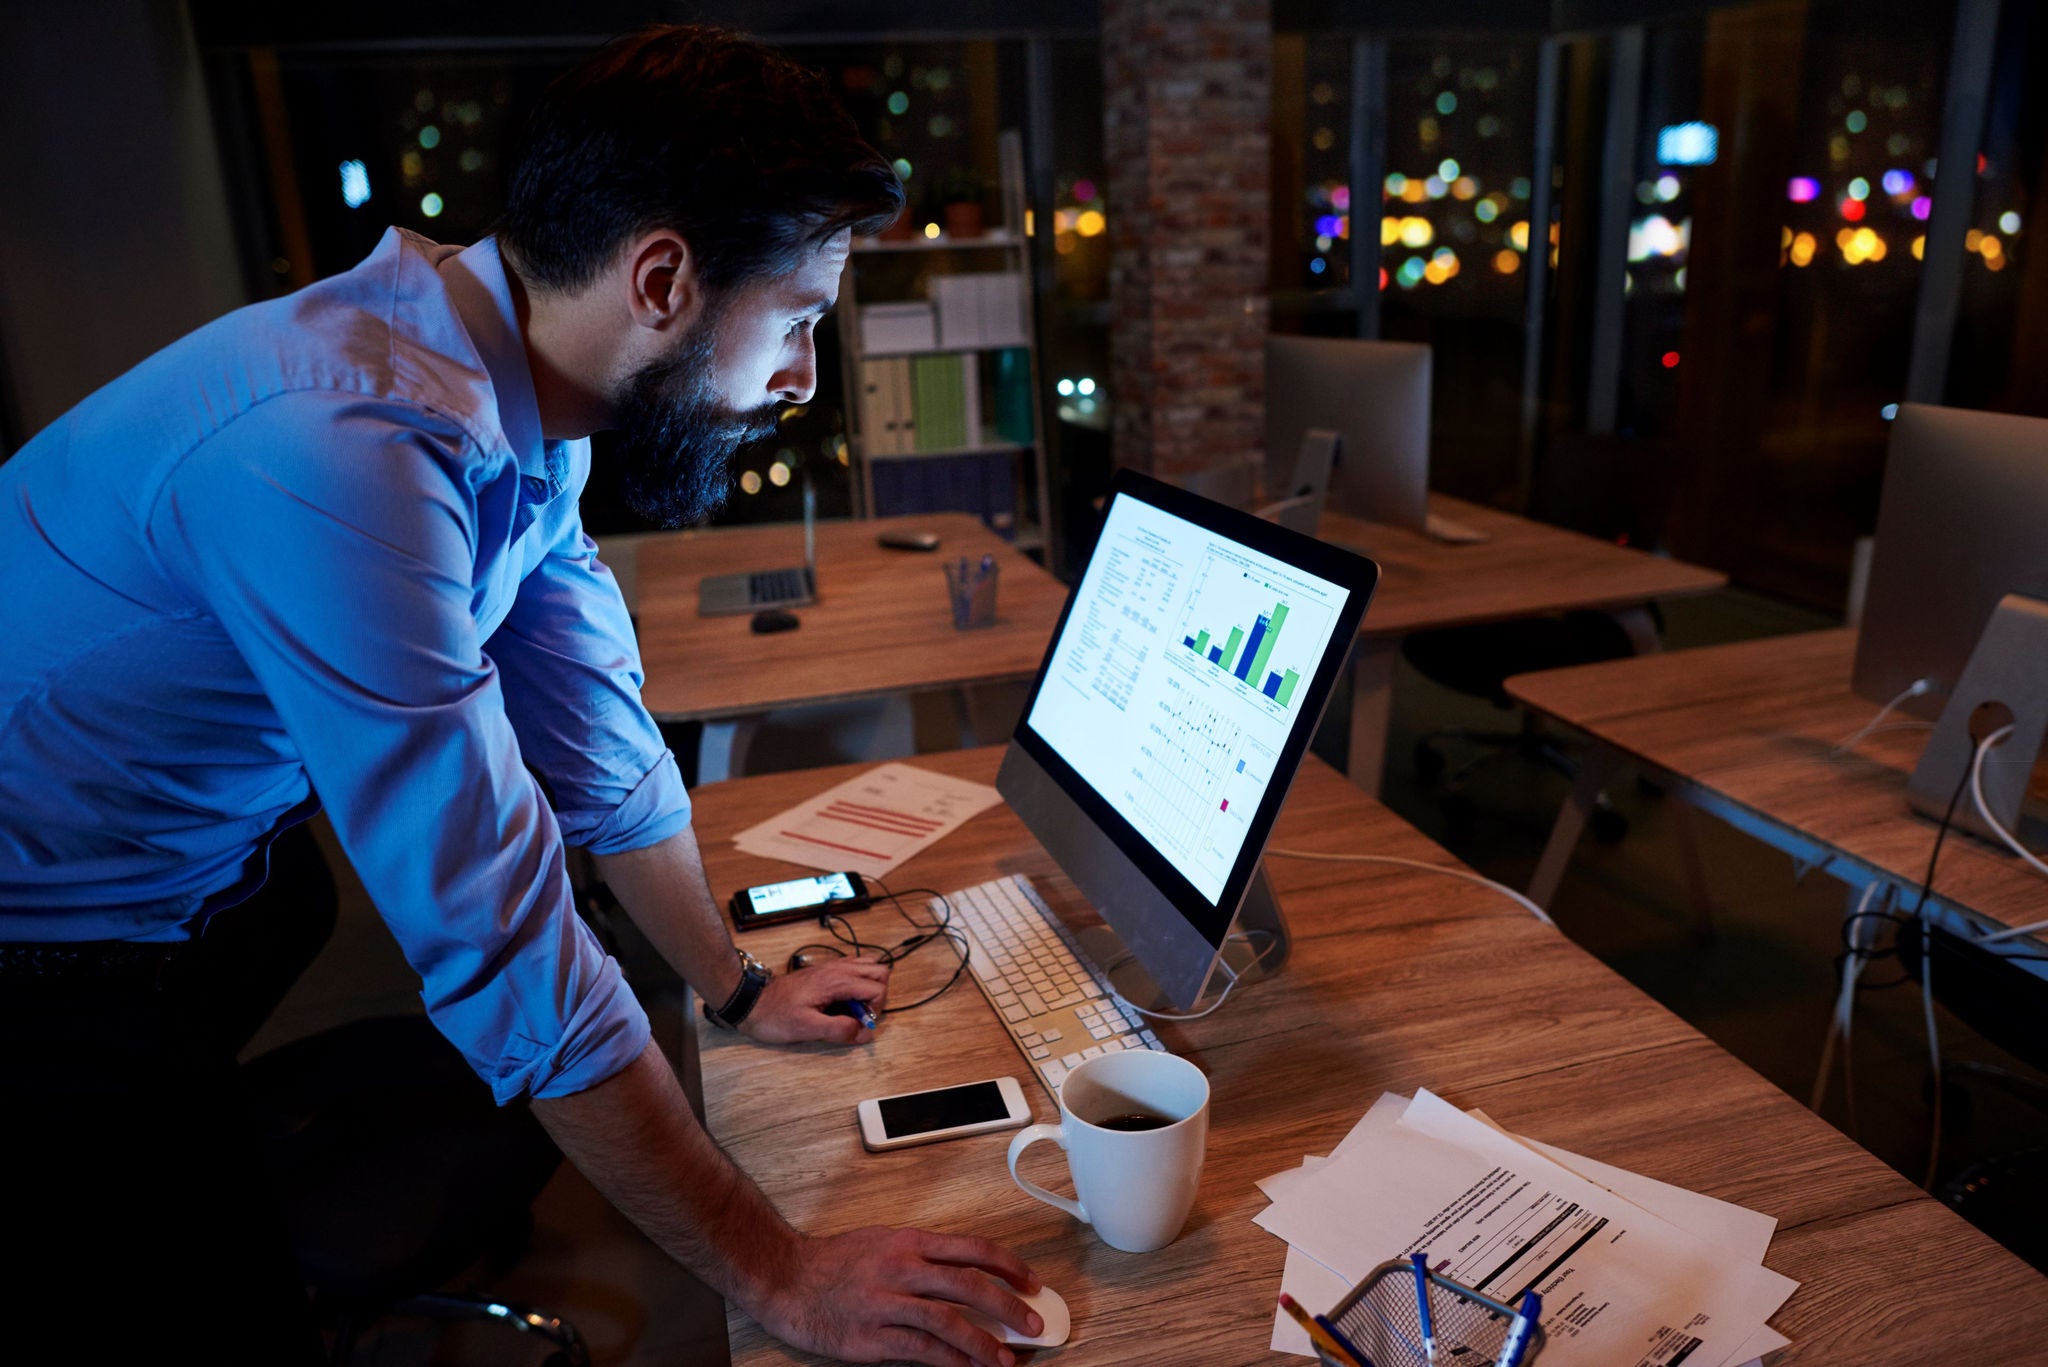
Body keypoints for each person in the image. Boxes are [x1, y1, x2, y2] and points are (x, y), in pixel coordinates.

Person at [0, 24, 1040, 1367]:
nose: (801, 380)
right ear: (661, 277)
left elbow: (599, 746)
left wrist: (730, 986)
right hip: (40, 946)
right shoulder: (343, 451)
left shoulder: (508, 377)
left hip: (202, 877)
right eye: (797, 320)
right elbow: (504, 935)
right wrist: (780, 1275)